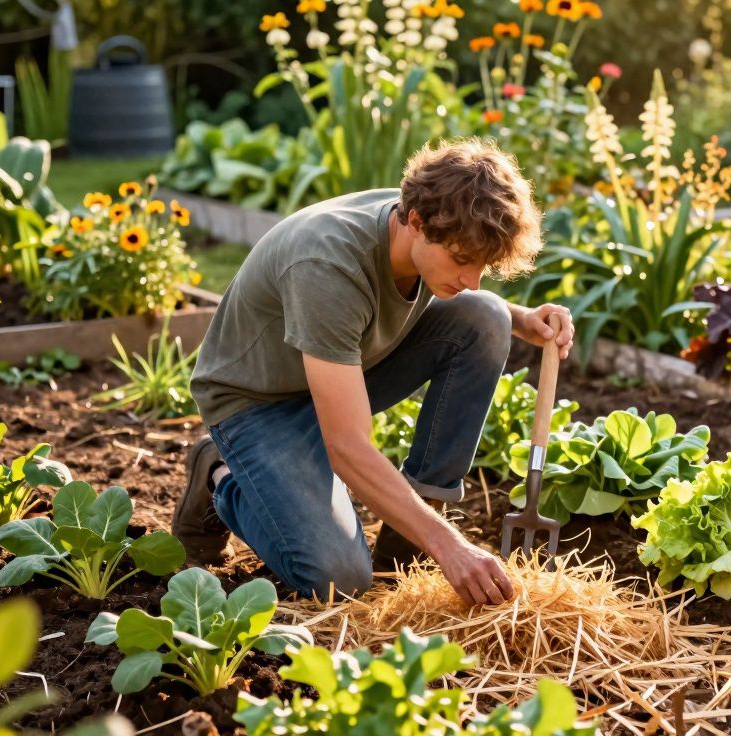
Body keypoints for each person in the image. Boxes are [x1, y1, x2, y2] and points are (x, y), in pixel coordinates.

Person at [172, 138, 574, 606]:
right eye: (464, 261)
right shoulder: (327, 265)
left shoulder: (428, 217)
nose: (471, 278)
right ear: (417, 223)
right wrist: (451, 545)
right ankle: (220, 474)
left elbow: (466, 288)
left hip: (339, 372)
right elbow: (346, 447)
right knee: (337, 578)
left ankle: (403, 555)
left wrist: (521, 318)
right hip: (258, 403)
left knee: (486, 317)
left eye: (484, 264)